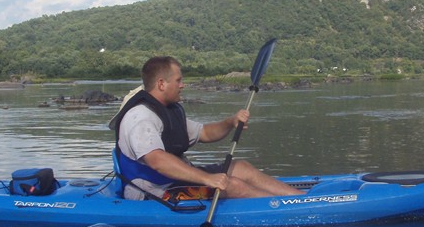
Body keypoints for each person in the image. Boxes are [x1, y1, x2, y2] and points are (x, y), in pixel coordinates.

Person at [113, 56, 303, 201]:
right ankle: (286, 209)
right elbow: (157, 161)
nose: (183, 85)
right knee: (233, 185)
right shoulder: (140, 117)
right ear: (161, 84)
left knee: (241, 168)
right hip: (151, 191)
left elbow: (204, 133)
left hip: (172, 181)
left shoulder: (167, 111)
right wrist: (207, 179)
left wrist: (230, 122)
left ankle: (300, 199)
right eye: (178, 80)